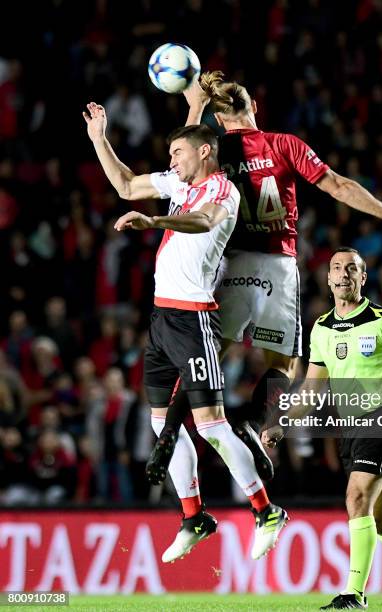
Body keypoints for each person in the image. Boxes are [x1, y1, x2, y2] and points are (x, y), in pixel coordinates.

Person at [147, 71, 382, 485]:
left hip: (230, 268)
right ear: (254, 108)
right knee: (283, 362)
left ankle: (169, 433)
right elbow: (337, 185)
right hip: (277, 265)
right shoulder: (283, 145)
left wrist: (195, 96)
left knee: (206, 360)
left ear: (220, 119)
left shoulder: (214, 150)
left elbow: (187, 153)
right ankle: (253, 422)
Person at [83, 102, 288, 562]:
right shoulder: (179, 183)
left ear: (205, 152)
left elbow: (203, 222)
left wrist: (154, 221)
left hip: (195, 319)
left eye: (179, 152)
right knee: (162, 427)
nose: (172, 161)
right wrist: (100, 138)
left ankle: (266, 510)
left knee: (211, 426)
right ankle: (194, 517)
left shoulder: (224, 191)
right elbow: (126, 185)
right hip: (161, 320)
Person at [263, 247, 382, 609]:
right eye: (336, 268)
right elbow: (313, 387)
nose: (343, 274)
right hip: (351, 429)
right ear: (328, 279)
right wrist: (282, 423)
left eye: (352, 268)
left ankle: (354, 594)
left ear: (363, 278)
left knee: (356, 498)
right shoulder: (321, 328)